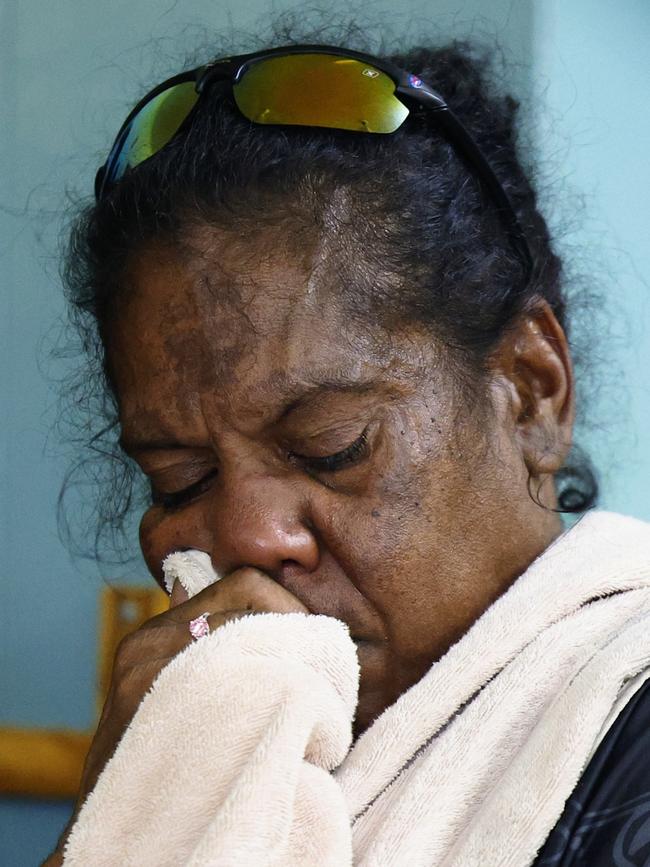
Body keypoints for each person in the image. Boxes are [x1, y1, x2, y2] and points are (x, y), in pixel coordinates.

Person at [46, 39, 650, 866]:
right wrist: (136, 809)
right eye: (179, 478)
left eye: (332, 447)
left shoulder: (627, 731)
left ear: (532, 390)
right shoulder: (204, 744)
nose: (250, 537)